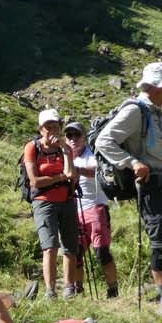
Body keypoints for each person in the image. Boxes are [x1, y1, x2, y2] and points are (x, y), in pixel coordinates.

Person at [95, 61, 162, 323]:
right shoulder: (135, 111)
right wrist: (132, 163)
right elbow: (104, 140)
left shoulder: (155, 111)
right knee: (161, 243)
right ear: (153, 87)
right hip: (151, 185)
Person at [23, 109, 79, 299]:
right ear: (41, 129)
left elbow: (71, 174)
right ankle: (50, 291)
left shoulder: (65, 149)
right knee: (50, 246)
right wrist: (60, 177)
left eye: (56, 126)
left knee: (71, 246)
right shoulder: (32, 147)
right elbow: (34, 181)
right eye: (48, 127)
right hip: (44, 202)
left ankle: (69, 288)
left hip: (67, 200)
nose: (52, 130)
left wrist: (65, 152)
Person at [64, 121, 118, 298]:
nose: (73, 139)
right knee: (77, 253)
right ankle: (78, 288)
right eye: (69, 135)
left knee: (101, 251)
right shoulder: (65, 157)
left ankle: (112, 288)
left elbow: (95, 171)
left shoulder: (92, 155)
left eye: (76, 135)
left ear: (84, 138)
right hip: (74, 211)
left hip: (96, 208)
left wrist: (75, 169)